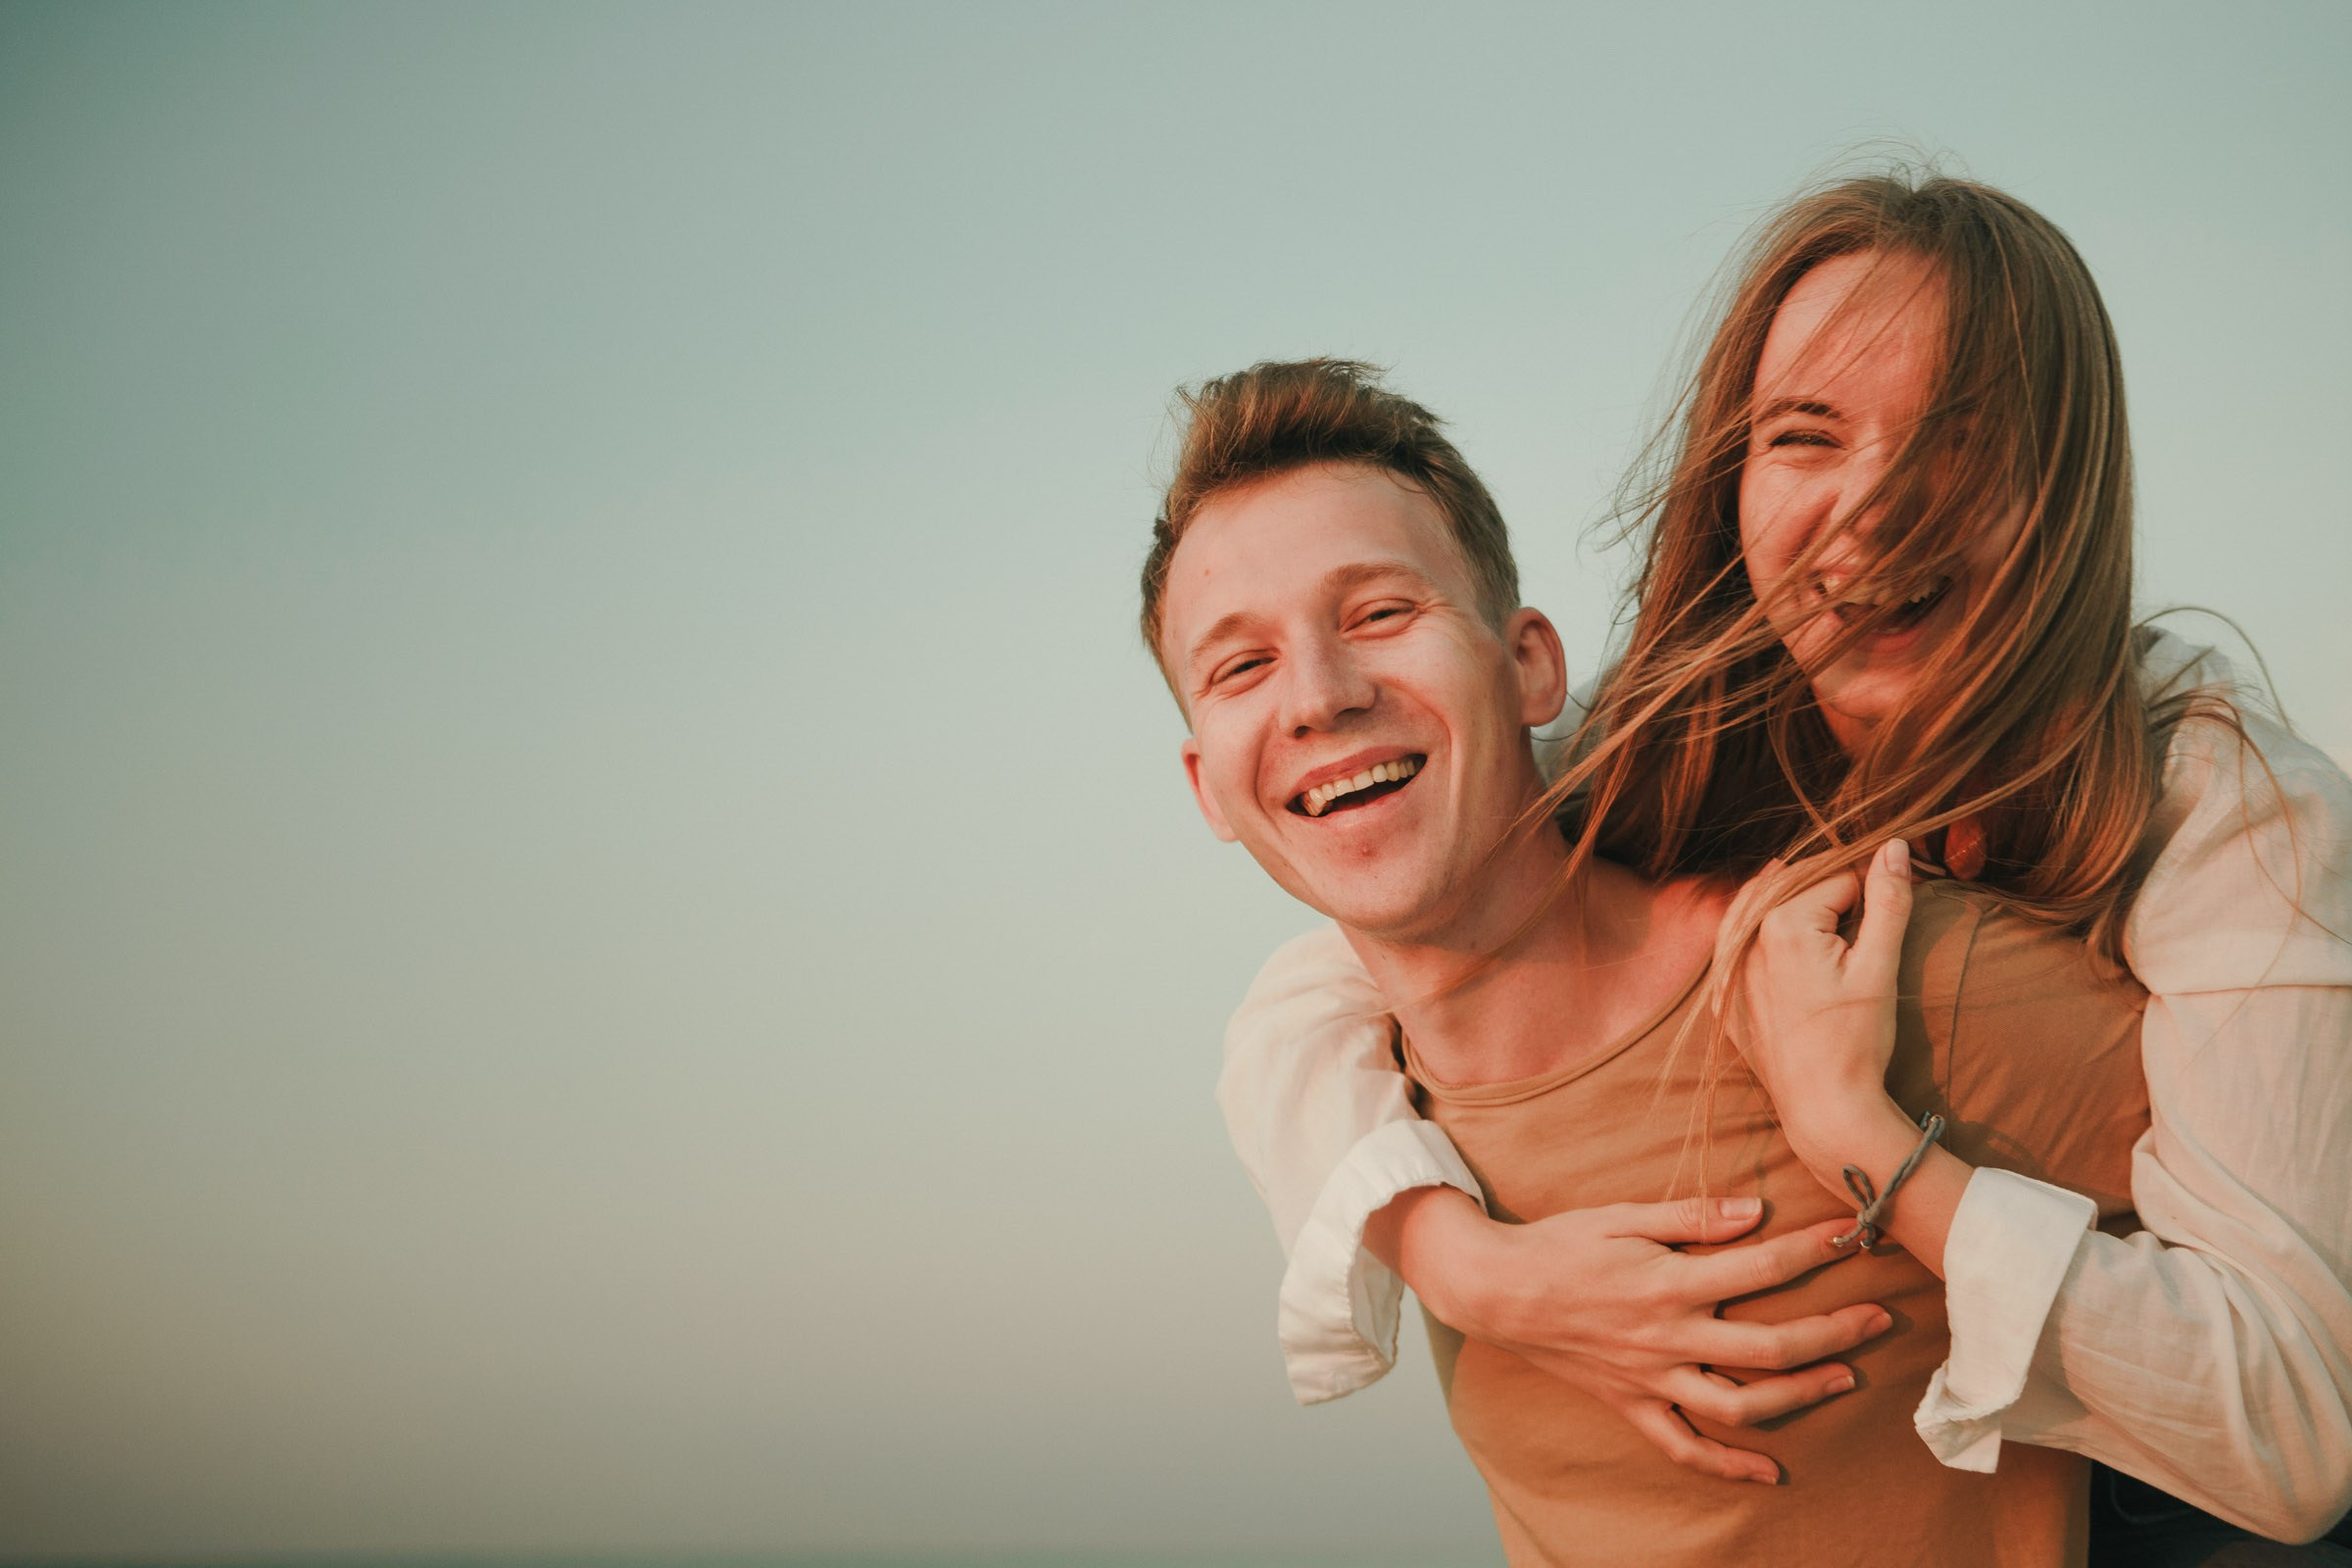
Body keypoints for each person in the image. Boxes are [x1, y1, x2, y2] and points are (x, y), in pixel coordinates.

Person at [1214, 173, 2352, 1553]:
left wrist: (1866, 1144)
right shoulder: (1670, 733)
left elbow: (2298, 1435)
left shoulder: (2216, 796)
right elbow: (1332, 970)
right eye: (1806, 437)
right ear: (1733, 476)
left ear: (2068, 483)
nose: (1876, 506)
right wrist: (1473, 1268)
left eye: (1962, 437)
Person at [1145, 357, 2151, 1564]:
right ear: (1209, 785)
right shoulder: (1379, 1118)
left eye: (1380, 612)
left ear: (1530, 666)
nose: (1318, 695)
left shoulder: (1852, 980)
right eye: (1240, 665)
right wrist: (1458, 1263)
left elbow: (2289, 1244)